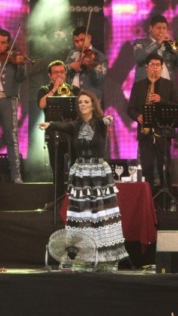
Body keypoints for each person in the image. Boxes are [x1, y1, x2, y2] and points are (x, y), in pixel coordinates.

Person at [39, 91, 127, 268]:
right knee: (81, 214)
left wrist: (108, 119)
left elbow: (107, 120)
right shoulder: (75, 125)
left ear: (93, 105)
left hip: (99, 173)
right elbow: (62, 125)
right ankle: (82, 256)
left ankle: (105, 258)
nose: (83, 105)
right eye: (80, 102)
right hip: (81, 174)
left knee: (101, 213)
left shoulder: (100, 123)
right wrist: (49, 124)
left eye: (86, 102)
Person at [127, 54, 178, 188]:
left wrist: (161, 100)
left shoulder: (169, 85)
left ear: (162, 68)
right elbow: (130, 108)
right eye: (152, 65)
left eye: (157, 65)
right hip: (145, 133)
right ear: (146, 67)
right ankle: (149, 196)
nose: (154, 68)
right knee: (147, 167)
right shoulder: (138, 86)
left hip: (163, 132)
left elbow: (177, 106)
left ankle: (166, 195)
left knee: (165, 167)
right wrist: (138, 116)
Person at [0, 29, 27, 183]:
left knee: (11, 137)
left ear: (8, 44)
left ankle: (16, 174)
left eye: (3, 43)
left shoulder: (14, 59)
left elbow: (21, 78)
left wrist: (21, 65)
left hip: (8, 100)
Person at [37, 61, 80, 187]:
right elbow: (41, 105)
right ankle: (58, 196)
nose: (59, 75)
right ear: (49, 75)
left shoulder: (74, 89)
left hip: (72, 134)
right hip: (54, 134)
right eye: (55, 72)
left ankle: (74, 194)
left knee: (75, 168)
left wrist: (70, 94)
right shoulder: (44, 90)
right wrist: (54, 89)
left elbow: (81, 108)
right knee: (57, 169)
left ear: (65, 74)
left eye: (62, 72)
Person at [133, 15, 178, 83]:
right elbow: (139, 58)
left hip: (167, 87)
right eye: (158, 28)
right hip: (146, 86)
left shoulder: (170, 46)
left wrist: (175, 48)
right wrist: (158, 43)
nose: (161, 31)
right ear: (151, 28)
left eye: (164, 28)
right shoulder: (140, 42)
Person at [65, 26, 107, 105]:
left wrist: (91, 66)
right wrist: (70, 66)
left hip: (91, 100)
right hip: (71, 97)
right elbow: (63, 70)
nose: (80, 44)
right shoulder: (72, 54)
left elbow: (100, 79)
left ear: (89, 38)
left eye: (82, 40)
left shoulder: (100, 57)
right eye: (76, 41)